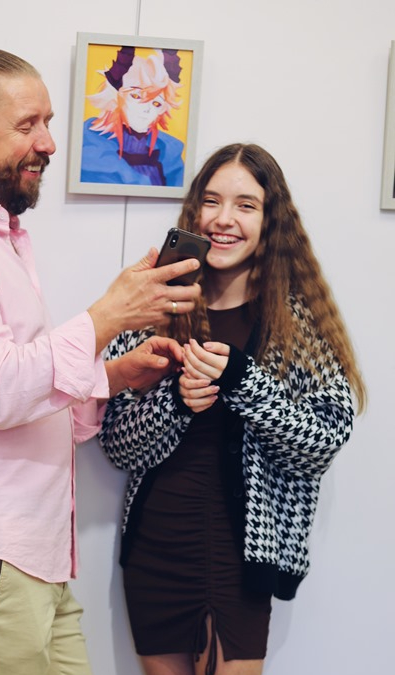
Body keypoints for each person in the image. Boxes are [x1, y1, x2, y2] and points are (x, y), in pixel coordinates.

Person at [0, 48, 201, 675]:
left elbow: (21, 395)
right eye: (27, 125)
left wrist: (110, 377)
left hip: (30, 557)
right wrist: (107, 316)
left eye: (48, 122)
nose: (49, 142)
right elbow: (0, 390)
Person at [98, 143, 367, 675]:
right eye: (212, 201)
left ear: (270, 221)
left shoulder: (297, 324)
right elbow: (115, 444)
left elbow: (322, 442)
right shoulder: (154, 309)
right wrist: (175, 402)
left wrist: (245, 382)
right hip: (156, 544)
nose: (224, 219)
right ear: (193, 212)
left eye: (246, 205)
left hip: (245, 553)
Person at [81, 47, 185, 187]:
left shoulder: (168, 151)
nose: (147, 109)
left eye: (156, 103)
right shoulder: (91, 146)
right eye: (136, 96)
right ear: (115, 97)